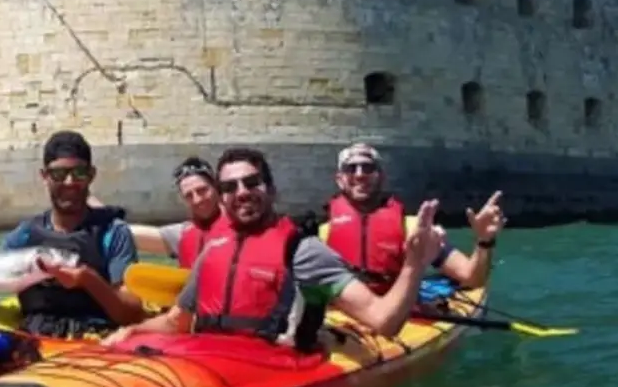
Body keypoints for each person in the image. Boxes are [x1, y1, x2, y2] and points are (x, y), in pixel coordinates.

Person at [100, 147, 448, 348]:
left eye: (252, 183)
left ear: (271, 189)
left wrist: (414, 265)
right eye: (231, 187)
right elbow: (178, 322)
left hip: (277, 370)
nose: (242, 192)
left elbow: (384, 321)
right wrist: (134, 330)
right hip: (206, 359)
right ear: (223, 197)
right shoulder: (213, 251)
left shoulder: (304, 251)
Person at [0, 130, 147, 338]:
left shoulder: (114, 232)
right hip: (37, 340)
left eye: (79, 173)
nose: (69, 182)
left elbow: (134, 315)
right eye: (58, 174)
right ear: (44, 177)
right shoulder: (24, 236)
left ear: (91, 175)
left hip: (96, 340)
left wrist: (88, 280)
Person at [321, 143, 505, 292]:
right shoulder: (321, 234)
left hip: (396, 315)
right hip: (340, 319)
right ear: (339, 179)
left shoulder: (412, 228)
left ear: (381, 177)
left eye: (368, 168)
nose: (360, 174)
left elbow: (472, 278)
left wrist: (484, 241)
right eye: (351, 169)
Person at [97, 157, 224, 268]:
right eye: (189, 196)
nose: (197, 200)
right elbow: (124, 232)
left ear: (216, 187)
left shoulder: (240, 225)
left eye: (202, 190)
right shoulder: (183, 235)